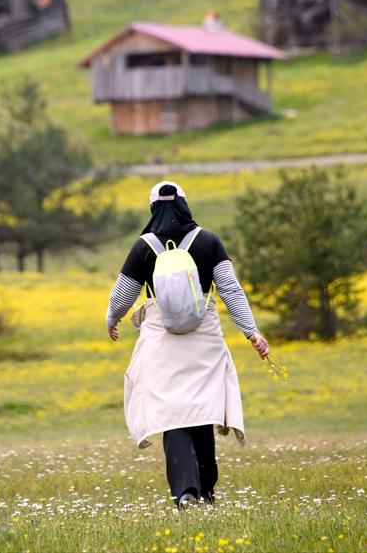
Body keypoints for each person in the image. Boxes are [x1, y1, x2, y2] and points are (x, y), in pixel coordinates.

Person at [106, 180, 269, 507]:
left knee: (172, 415)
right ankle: (206, 492)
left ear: (153, 208)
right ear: (184, 204)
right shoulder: (208, 241)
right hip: (203, 339)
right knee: (201, 409)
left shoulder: (144, 246)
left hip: (161, 340)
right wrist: (252, 332)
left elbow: (123, 294)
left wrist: (112, 320)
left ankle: (185, 493)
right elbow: (230, 291)